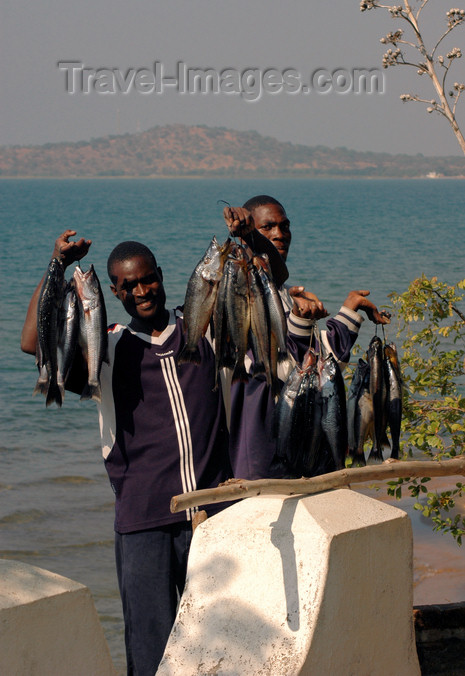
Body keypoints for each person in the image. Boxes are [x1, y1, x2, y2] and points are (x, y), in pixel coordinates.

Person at [20, 229, 238, 676]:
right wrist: (56, 266)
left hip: (215, 515)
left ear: (160, 276)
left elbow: (248, 303)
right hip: (144, 521)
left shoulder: (202, 327)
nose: (142, 291)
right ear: (114, 291)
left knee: (224, 640)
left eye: (148, 280)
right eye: (129, 285)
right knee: (151, 647)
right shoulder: (109, 347)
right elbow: (33, 344)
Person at [224, 195, 390, 480]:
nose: (280, 234)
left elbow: (318, 363)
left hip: (309, 452)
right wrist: (301, 323)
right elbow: (276, 365)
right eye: (268, 228)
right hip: (264, 459)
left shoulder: (289, 294)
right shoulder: (239, 298)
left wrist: (349, 309)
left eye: (285, 226)